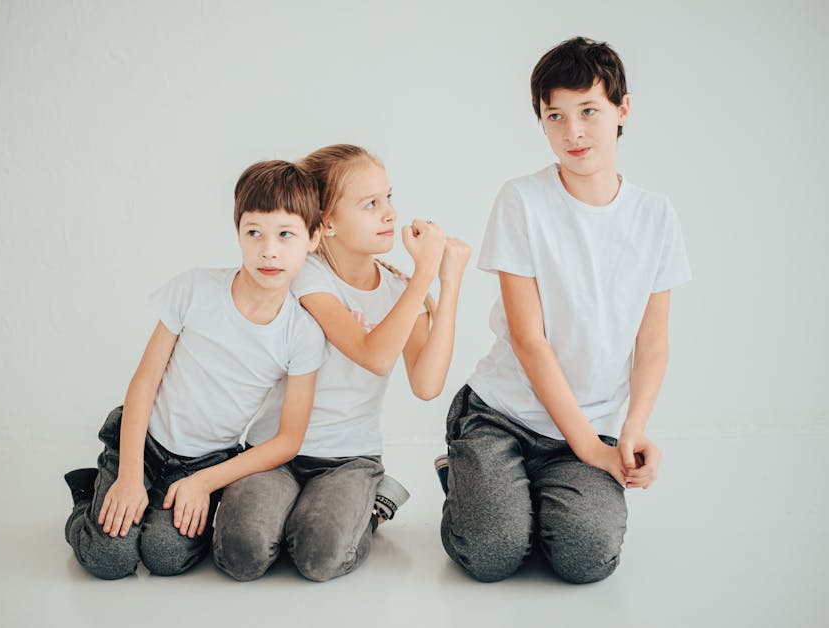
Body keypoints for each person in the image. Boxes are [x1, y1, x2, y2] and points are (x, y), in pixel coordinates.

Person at [437, 37, 692, 584]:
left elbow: (653, 343)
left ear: (623, 110)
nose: (572, 131)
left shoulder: (656, 216)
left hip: (589, 425)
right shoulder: (522, 200)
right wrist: (588, 451)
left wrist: (629, 432)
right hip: (502, 415)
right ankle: (468, 473)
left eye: (588, 111)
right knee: (491, 557)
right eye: (555, 115)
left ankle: (519, 498)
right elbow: (529, 339)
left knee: (586, 561)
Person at [213, 144, 471, 582]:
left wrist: (447, 284)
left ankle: (372, 505)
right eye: (371, 204)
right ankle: (290, 508)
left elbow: (427, 384)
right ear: (326, 223)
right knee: (242, 555)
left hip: (348, 458)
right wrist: (423, 274)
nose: (390, 214)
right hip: (275, 451)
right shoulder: (308, 275)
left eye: (389, 198)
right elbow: (373, 354)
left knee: (319, 558)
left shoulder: (398, 291)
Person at [62, 160, 327, 580]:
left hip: (205, 462)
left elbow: (289, 439)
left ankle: (151, 509)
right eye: (253, 232)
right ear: (237, 232)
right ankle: (89, 492)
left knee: (165, 557)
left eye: (285, 235)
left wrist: (205, 483)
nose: (268, 250)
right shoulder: (194, 289)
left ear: (313, 237)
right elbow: (144, 382)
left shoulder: (302, 333)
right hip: (144, 441)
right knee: (109, 559)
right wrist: (130, 474)